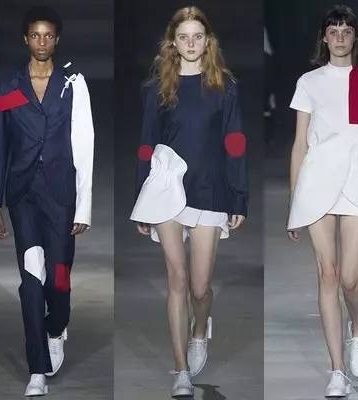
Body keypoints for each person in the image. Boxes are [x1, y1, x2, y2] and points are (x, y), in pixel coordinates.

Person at [130, 6, 248, 397]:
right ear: (173, 43)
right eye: (183, 37)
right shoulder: (157, 88)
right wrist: (141, 197)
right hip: (167, 190)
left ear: (208, 41)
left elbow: (235, 142)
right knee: (176, 279)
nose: (191, 43)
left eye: (198, 36)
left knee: (200, 288)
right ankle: (180, 369)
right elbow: (146, 144)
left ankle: (200, 328)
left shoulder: (224, 87)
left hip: (210, 189)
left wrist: (238, 196)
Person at [286, 5, 358, 397]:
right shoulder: (308, 82)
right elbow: (299, 145)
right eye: (332, 31)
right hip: (316, 178)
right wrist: (294, 202)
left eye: (346, 31)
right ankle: (337, 370)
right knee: (327, 275)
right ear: (324, 37)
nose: (339, 37)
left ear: (355, 37)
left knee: (350, 278)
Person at [0, 5, 94, 397]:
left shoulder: (73, 82)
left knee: (60, 277)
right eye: (35, 35)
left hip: (61, 193)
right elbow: (0, 143)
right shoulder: (8, 85)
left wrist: (84, 205)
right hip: (23, 195)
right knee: (32, 279)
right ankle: (37, 369)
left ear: (57, 39)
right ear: (25, 39)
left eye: (48, 35)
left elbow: (85, 144)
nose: (42, 42)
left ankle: (57, 324)